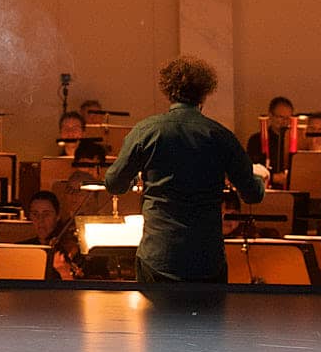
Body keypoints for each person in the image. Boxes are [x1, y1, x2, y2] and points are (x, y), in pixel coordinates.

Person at [103, 56, 265, 285]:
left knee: (155, 311)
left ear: (169, 92)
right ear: (204, 94)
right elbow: (253, 194)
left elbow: (114, 184)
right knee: (207, 311)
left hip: (158, 255)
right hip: (207, 259)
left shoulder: (145, 131)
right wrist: (259, 179)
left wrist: (133, 180)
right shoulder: (221, 136)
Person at [25, 190, 83, 280]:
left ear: (57, 216)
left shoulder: (70, 249)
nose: (40, 219)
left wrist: (65, 272)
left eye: (46, 214)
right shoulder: (24, 249)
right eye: (35, 214)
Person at [50, 139, 114, 218]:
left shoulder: (108, 193)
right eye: (85, 166)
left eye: (94, 166)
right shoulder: (62, 189)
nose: (90, 171)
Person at [246, 96, 295, 187]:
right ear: (270, 116)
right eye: (280, 117)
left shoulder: (294, 141)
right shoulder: (256, 140)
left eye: (288, 118)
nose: (284, 122)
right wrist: (273, 177)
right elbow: (250, 169)